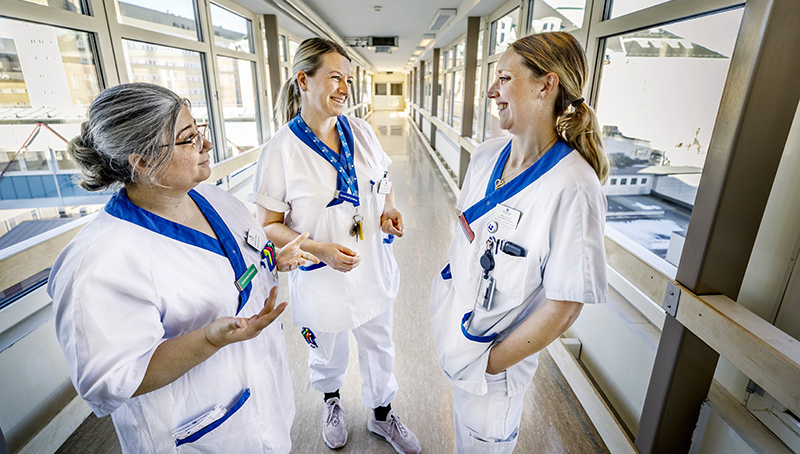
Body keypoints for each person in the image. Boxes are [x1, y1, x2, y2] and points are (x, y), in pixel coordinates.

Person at [48, 82, 316, 453]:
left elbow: (241, 263)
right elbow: (110, 380)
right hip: (198, 429)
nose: (207, 145)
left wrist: (273, 260)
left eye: (199, 130)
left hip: (264, 394)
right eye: (189, 139)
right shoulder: (97, 263)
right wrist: (209, 339)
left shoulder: (214, 199)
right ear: (142, 163)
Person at [430, 31, 609, 452]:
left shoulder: (573, 186)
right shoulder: (486, 156)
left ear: (546, 86)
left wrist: (490, 365)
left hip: (495, 366)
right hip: (460, 335)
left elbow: (565, 307)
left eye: (505, 78)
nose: (492, 91)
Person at [248, 37, 422, 453]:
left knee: (379, 344)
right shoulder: (280, 151)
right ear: (303, 80)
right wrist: (319, 249)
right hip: (320, 276)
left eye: (347, 79)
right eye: (334, 78)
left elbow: (383, 182)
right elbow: (268, 226)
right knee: (327, 349)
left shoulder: (361, 132)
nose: (344, 88)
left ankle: (382, 413)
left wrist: (389, 210)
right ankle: (332, 402)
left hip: (371, 266)